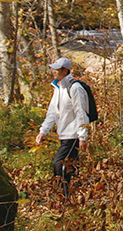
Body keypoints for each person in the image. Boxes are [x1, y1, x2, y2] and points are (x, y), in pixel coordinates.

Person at [36, 57, 89, 198]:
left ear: (65, 71)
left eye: (56, 69)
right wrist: (43, 131)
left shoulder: (75, 88)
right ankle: (72, 196)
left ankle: (63, 196)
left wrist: (83, 137)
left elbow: (81, 113)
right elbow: (52, 112)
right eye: (53, 69)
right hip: (64, 135)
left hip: (73, 136)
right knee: (70, 167)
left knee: (59, 164)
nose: (53, 71)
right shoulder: (58, 88)